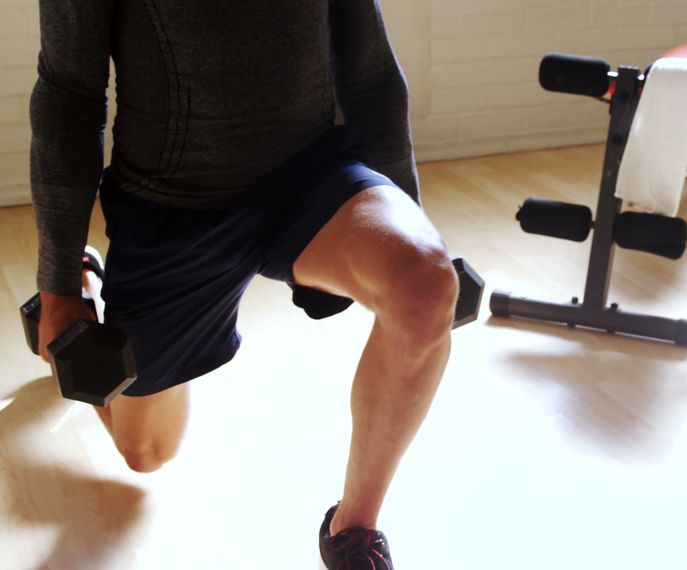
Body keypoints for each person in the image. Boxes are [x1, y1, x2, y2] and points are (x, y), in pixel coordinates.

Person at [29, 1, 455, 567]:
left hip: (313, 176)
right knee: (147, 452)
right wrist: (58, 284)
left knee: (425, 291)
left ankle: (353, 530)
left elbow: (371, 71)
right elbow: (69, 94)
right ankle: (90, 288)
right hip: (172, 207)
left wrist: (407, 216)